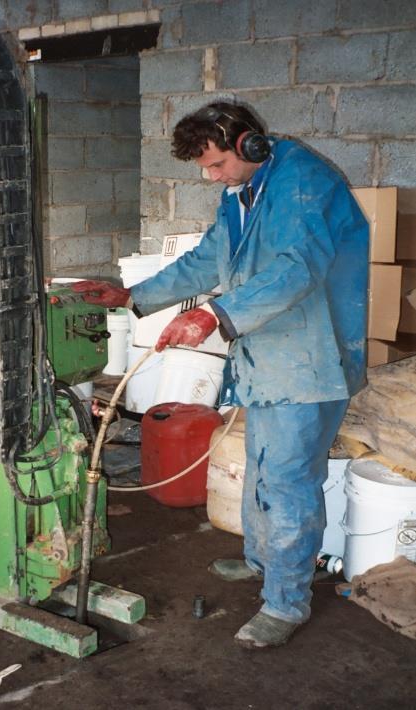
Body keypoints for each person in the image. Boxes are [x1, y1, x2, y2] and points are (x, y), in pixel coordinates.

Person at [72, 102, 368, 649]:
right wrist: (136, 297)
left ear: (250, 143)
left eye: (216, 165)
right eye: (205, 169)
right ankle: (263, 563)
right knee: (260, 465)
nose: (212, 177)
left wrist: (213, 316)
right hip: (267, 352)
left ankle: (286, 602)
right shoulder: (242, 193)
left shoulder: (304, 182)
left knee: (286, 480)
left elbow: (297, 268)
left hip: (309, 357)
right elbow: (209, 259)